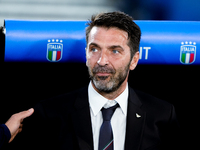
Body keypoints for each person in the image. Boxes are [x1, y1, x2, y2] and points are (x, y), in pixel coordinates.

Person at [22, 11, 180, 150]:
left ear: (134, 60)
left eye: (115, 51)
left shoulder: (162, 115)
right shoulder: (50, 114)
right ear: (86, 55)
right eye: (94, 49)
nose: (102, 61)